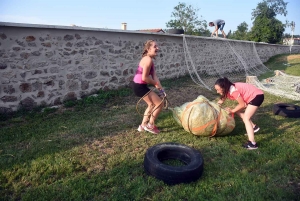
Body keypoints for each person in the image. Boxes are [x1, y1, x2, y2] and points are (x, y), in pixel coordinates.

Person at [214, 77, 264, 150]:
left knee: (246, 118)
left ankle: (252, 144)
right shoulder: (227, 89)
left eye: (218, 89)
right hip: (251, 96)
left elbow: (242, 104)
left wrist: (232, 111)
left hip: (257, 96)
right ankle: (254, 127)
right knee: (237, 110)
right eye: (216, 90)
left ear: (224, 87)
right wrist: (214, 108)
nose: (217, 92)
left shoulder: (233, 91)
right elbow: (221, 101)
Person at [132, 40, 163, 134]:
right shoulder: (148, 60)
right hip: (139, 86)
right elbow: (144, 78)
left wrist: (161, 90)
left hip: (138, 86)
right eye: (155, 46)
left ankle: (142, 126)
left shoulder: (149, 60)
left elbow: (154, 76)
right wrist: (155, 84)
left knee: (151, 104)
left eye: (157, 46)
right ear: (148, 49)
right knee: (159, 104)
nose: (157, 48)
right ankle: (150, 125)